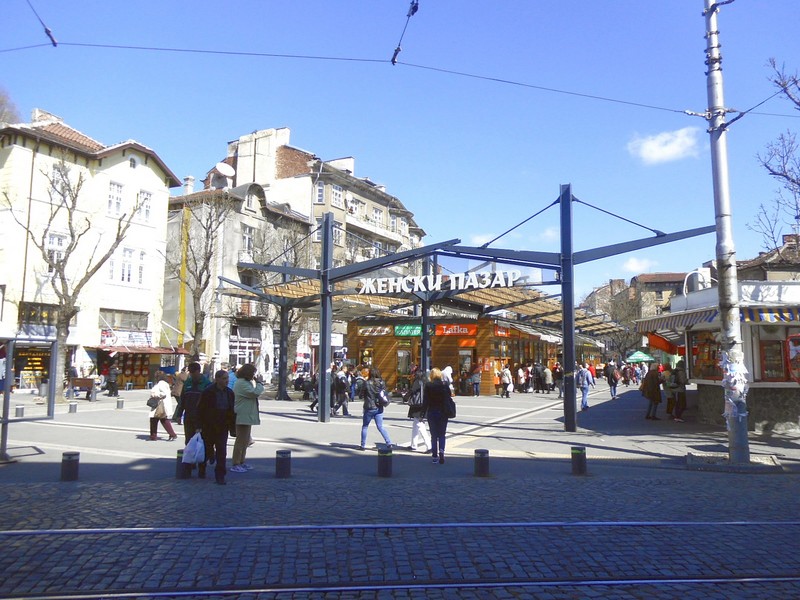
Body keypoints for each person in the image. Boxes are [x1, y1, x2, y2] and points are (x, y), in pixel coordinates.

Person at [197, 369, 236, 485]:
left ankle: (220, 476)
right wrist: (199, 425)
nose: (226, 381)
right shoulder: (208, 392)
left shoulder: (229, 392)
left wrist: (232, 428)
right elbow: (200, 409)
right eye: (224, 379)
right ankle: (202, 468)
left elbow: (232, 411)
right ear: (217, 379)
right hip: (209, 425)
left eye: (227, 378)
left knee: (221, 451)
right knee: (207, 448)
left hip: (223, 425)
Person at [231, 363, 264, 473]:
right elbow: (254, 393)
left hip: (246, 414)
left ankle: (242, 461)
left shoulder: (245, 382)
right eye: (253, 373)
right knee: (240, 440)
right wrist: (259, 383)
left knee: (245, 441)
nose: (254, 375)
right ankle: (236, 462)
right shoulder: (241, 383)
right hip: (242, 414)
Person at [422, 367, 452, 464]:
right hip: (443, 412)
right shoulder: (444, 384)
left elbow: (425, 401)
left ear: (431, 375)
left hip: (432, 411)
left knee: (434, 435)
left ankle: (434, 456)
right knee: (442, 434)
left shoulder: (428, 385)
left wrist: (422, 413)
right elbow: (449, 396)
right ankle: (442, 451)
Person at [358, 367, 392, 450]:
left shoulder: (366, 383)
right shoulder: (381, 382)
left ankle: (363, 445)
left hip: (369, 407)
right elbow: (384, 393)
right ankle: (389, 443)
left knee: (365, 426)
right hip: (379, 407)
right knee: (380, 427)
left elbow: (360, 395)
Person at [177, 362, 211, 442]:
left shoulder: (207, 384)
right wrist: (179, 414)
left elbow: (210, 403)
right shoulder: (187, 383)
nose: (191, 374)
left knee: (201, 441)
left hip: (202, 417)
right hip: (189, 416)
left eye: (193, 372)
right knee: (189, 441)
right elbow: (182, 399)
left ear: (198, 371)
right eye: (190, 372)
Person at [148, 372, 177, 441]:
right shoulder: (164, 383)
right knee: (160, 419)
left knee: (157, 419)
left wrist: (155, 394)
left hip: (160, 404)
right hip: (162, 404)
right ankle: (154, 435)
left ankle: (154, 435)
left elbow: (163, 394)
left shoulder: (161, 384)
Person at [406, 371, 430, 452]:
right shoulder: (426, 382)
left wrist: (405, 397)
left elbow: (412, 391)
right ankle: (414, 444)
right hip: (423, 405)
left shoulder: (417, 382)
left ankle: (429, 446)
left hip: (417, 406)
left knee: (420, 425)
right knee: (415, 425)